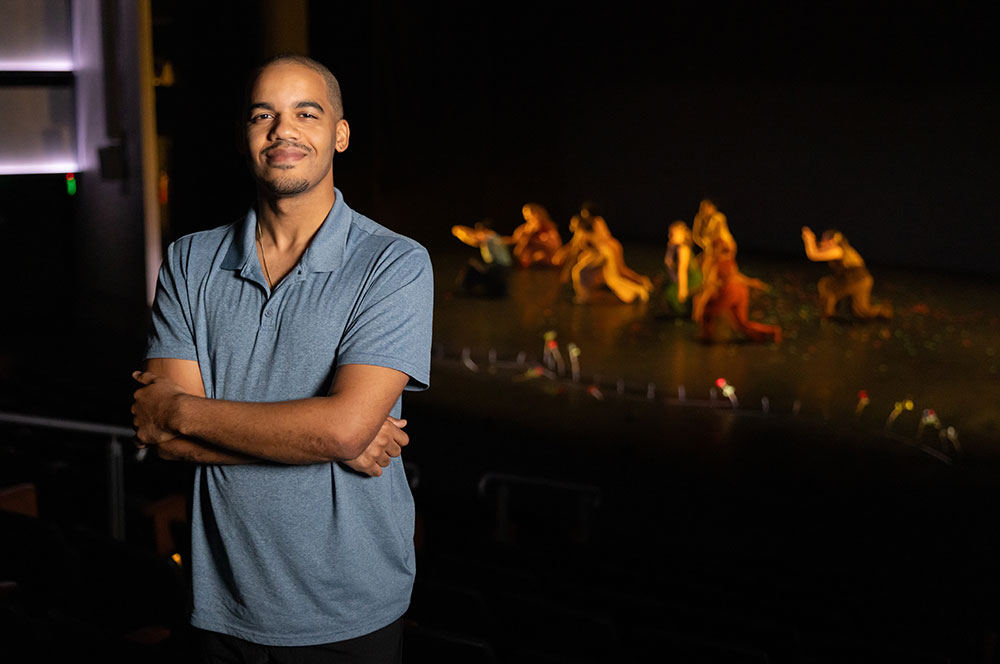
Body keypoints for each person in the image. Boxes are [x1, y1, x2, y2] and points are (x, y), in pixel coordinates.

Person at [131, 55, 433, 662]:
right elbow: (158, 436)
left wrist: (182, 411)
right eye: (263, 114)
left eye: (306, 113)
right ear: (245, 136)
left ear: (339, 135)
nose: (282, 130)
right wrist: (324, 435)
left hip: (349, 609)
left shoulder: (394, 263)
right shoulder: (190, 261)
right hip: (220, 603)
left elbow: (342, 430)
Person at [554, 203, 651, 304]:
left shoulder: (592, 225)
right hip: (606, 251)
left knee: (614, 275)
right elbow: (574, 246)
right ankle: (637, 289)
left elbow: (577, 249)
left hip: (607, 250)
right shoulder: (588, 228)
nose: (571, 225)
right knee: (614, 274)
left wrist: (565, 270)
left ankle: (637, 291)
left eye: (573, 222)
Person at [696, 237, 782, 343]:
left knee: (707, 311)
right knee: (741, 323)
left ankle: (707, 337)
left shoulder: (715, 263)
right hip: (741, 290)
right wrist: (752, 282)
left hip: (730, 291)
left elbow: (710, 284)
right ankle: (770, 332)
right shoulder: (729, 260)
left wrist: (700, 305)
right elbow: (736, 276)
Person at [801, 226, 892, 319]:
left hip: (858, 280)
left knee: (829, 288)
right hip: (859, 279)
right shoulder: (840, 249)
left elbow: (813, 255)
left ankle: (828, 315)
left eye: (827, 239)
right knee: (829, 286)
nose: (823, 241)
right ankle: (829, 313)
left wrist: (809, 239)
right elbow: (818, 250)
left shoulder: (838, 250)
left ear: (834, 240)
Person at [451, 219, 512, 297]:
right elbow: (474, 234)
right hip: (502, 270)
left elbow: (473, 241)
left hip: (498, 270)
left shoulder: (488, 237)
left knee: (471, 266)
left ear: (484, 230)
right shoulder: (495, 236)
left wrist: (459, 233)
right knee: (478, 266)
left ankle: (461, 291)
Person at [659, 220, 702, 317]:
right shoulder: (675, 247)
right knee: (666, 286)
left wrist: (682, 289)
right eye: (670, 233)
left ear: (683, 235)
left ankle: (681, 313)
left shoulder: (683, 249)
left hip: (691, 277)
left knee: (671, 292)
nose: (670, 236)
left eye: (674, 234)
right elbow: (669, 263)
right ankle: (675, 311)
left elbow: (682, 270)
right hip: (682, 275)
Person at [505, 203, 563, 267]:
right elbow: (516, 240)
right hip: (527, 259)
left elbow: (554, 245)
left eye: (532, 213)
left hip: (545, 259)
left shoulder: (548, 228)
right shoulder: (524, 228)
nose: (529, 217)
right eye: (526, 214)